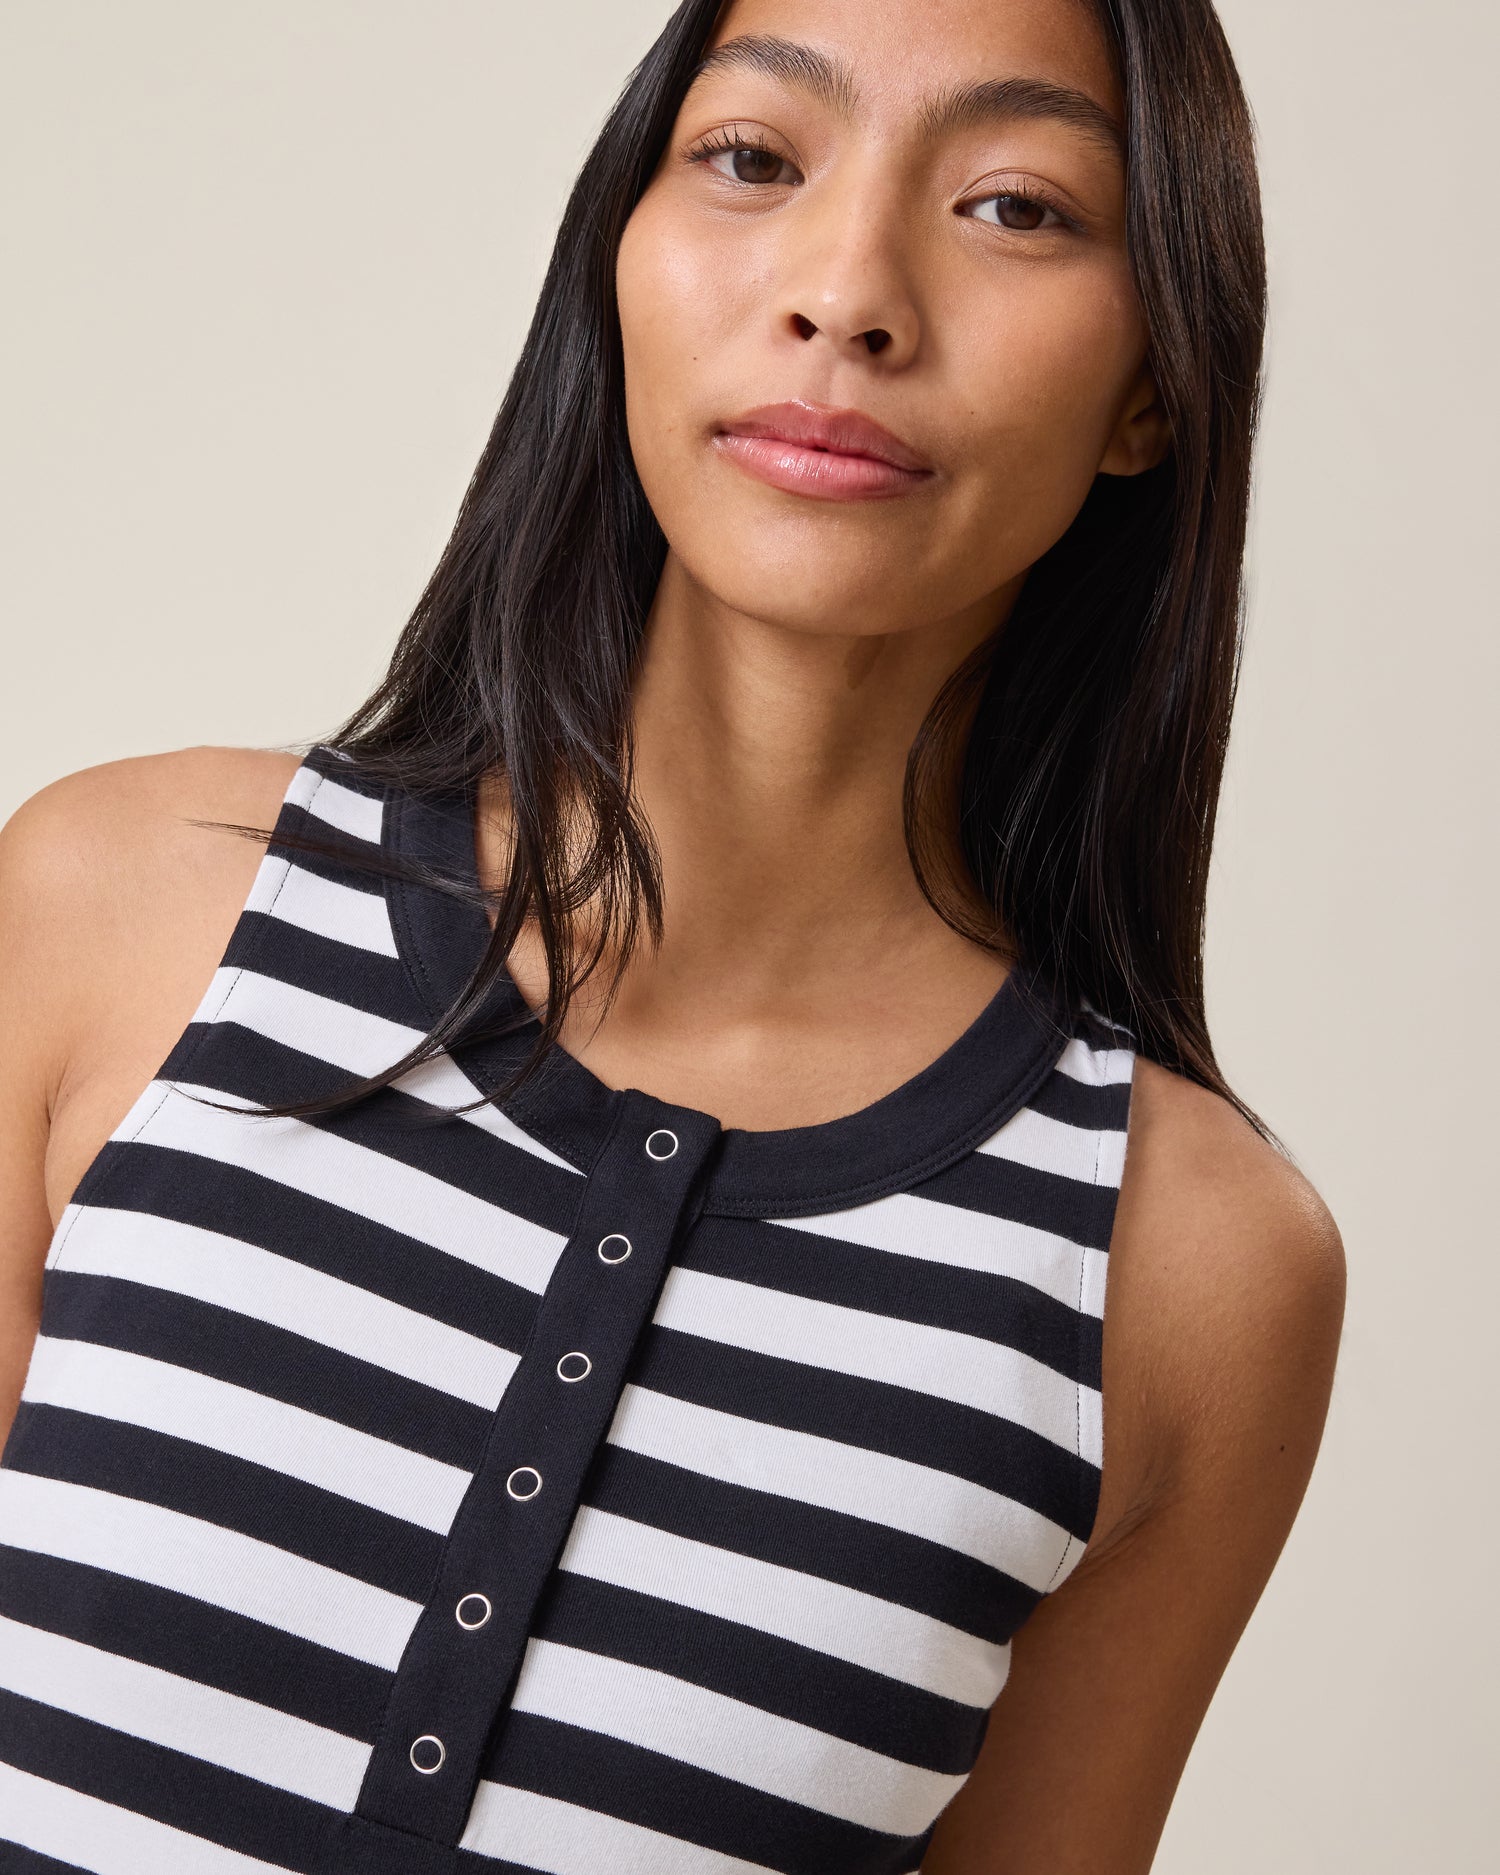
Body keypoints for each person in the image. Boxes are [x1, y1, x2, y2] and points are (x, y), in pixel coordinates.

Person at [0, 0, 1347, 1869]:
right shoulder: (116, 914)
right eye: (753, 159)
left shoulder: (1188, 1273)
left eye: (1018, 205)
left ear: (1154, 387)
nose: (848, 292)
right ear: (616, 255)